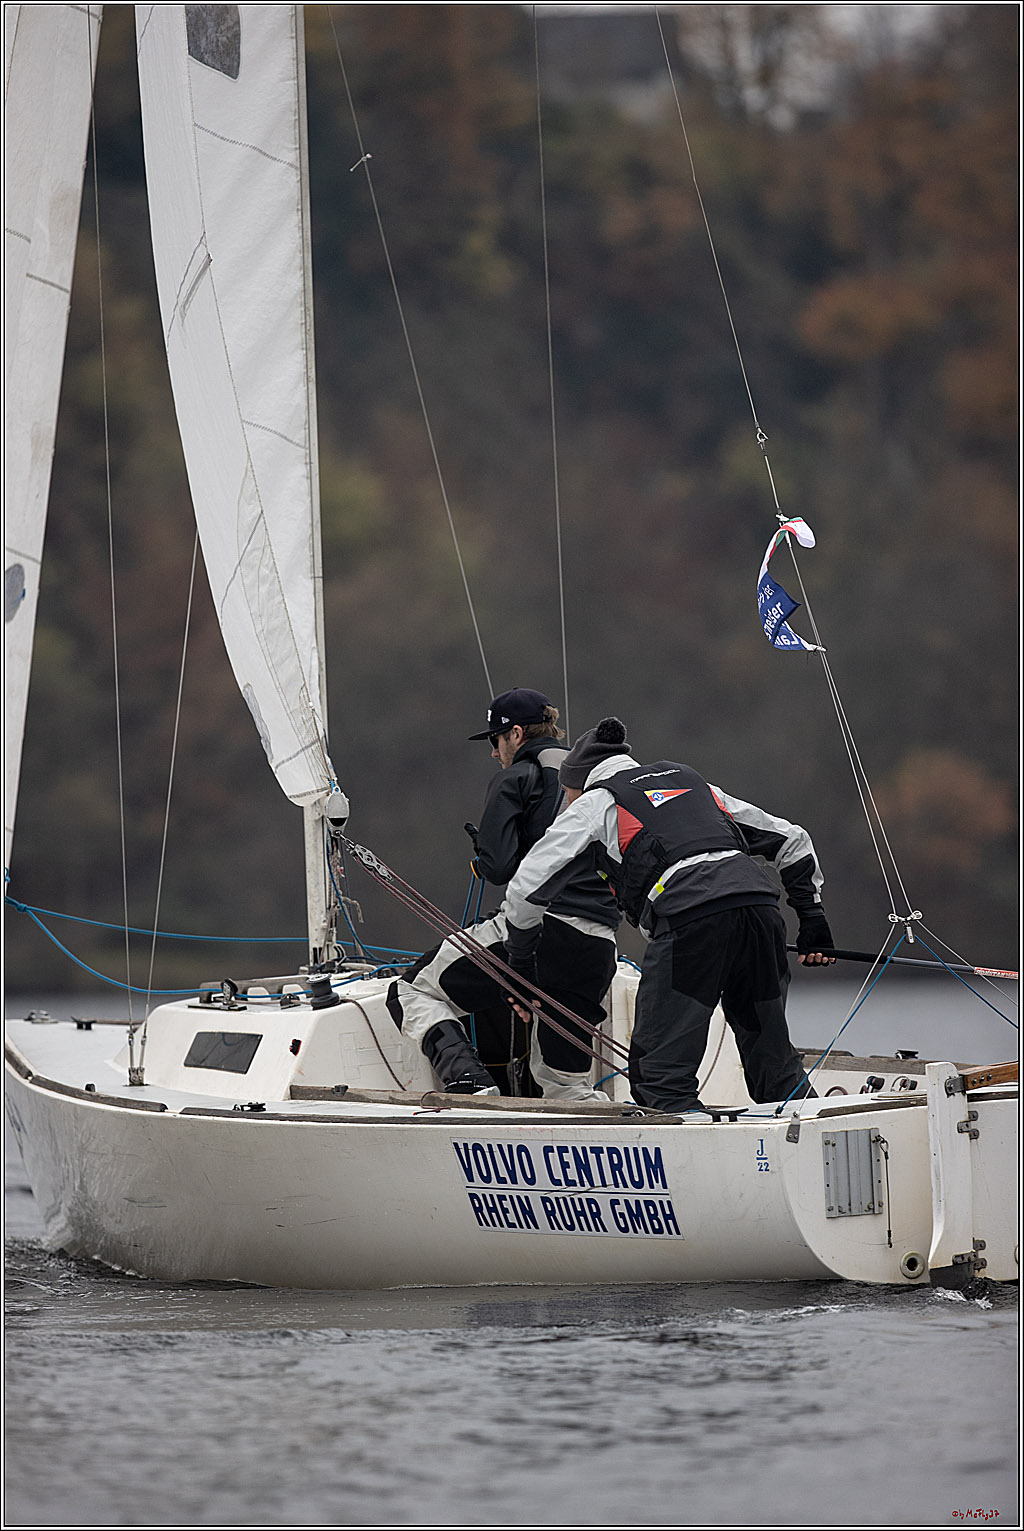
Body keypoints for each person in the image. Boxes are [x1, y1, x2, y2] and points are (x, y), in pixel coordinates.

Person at [499, 717, 835, 1114]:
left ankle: (694, 1165)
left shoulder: (596, 800)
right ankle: (811, 1133)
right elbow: (792, 840)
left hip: (690, 922)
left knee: (658, 1073)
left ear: (580, 781)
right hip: (760, 912)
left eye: (567, 793)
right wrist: (812, 921)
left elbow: (526, 886)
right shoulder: (693, 784)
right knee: (773, 1059)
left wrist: (518, 966)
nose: (566, 802)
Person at [386, 688, 620, 1099]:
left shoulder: (516, 777)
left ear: (514, 734)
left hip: (540, 930)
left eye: (495, 741)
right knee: (563, 1086)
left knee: (411, 991)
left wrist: (482, 854)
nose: (494, 753)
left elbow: (497, 867)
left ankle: (471, 1084)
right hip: (599, 945)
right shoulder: (596, 781)